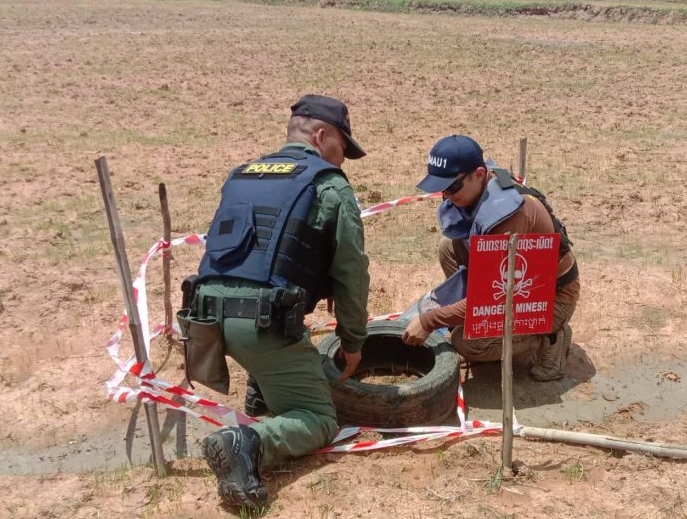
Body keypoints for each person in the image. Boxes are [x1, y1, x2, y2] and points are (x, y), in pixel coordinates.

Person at [194, 94, 370, 509]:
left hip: (205, 320)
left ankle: (264, 390)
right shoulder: (329, 184)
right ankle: (246, 442)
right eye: (343, 148)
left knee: (276, 350)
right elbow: (352, 272)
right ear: (323, 135)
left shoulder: (244, 174)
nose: (342, 160)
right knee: (319, 419)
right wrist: (354, 340)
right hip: (259, 322)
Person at [402, 135, 579, 381]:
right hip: (517, 284)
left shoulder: (509, 217)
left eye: (452, 187)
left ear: (478, 173)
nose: (447, 195)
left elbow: (491, 300)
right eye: (441, 189)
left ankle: (548, 338)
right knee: (448, 248)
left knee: (465, 342)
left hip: (550, 298)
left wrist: (430, 321)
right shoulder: (481, 187)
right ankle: (490, 331)